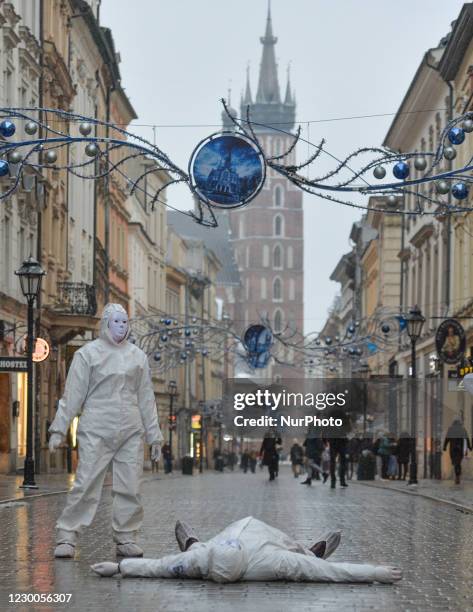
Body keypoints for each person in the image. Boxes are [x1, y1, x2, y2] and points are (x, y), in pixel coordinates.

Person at [48, 303, 163, 559]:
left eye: (124, 322)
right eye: (116, 322)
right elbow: (72, 395)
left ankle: (126, 536)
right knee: (86, 483)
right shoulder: (88, 354)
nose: (121, 327)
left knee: (130, 486)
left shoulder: (137, 357)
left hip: (131, 430)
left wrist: (154, 436)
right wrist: (58, 429)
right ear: (106, 324)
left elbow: (146, 398)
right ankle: (67, 534)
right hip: (97, 428)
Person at [91, 516, 402, 584]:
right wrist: (374, 572)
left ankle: (191, 542)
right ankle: (313, 550)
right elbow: (330, 574)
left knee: (190, 553)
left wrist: (119, 568)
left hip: (210, 547)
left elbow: (159, 566)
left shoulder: (205, 559)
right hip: (274, 540)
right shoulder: (270, 564)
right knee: (305, 561)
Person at [442, 418, 472, 484]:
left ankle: (457, 475)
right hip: (460, 449)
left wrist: (444, 446)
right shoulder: (462, 429)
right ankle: (458, 474)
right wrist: (469, 447)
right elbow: (467, 438)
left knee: (455, 462)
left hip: (453, 449)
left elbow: (447, 439)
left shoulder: (451, 429)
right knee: (458, 462)